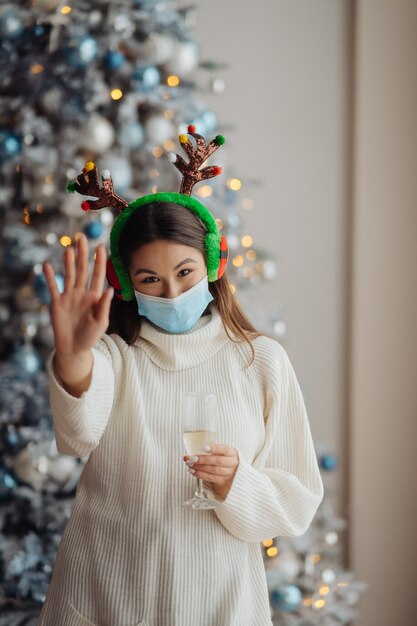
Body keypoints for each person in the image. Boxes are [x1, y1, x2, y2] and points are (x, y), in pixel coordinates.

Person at [38, 130, 324, 626]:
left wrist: (240, 483)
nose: (171, 293)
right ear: (127, 284)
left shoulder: (261, 361)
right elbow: (77, 431)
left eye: (186, 273)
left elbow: (296, 500)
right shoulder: (116, 358)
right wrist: (73, 355)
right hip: (108, 594)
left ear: (212, 264)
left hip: (218, 600)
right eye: (150, 279)